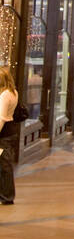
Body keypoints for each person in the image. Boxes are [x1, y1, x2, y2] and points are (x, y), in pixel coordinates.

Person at [0, 66, 19, 204]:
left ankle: (7, 196)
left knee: (5, 166)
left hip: (4, 133)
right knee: (5, 165)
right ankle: (6, 195)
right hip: (10, 131)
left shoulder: (5, 95)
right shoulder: (14, 92)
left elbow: (1, 117)